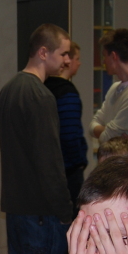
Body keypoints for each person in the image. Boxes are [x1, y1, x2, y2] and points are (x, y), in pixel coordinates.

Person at [0, 23, 76, 254]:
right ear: (43, 52)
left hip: (17, 209)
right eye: (63, 53)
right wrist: (66, 213)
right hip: (42, 213)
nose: (67, 60)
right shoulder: (40, 96)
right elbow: (49, 162)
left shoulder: (8, 90)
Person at [44, 41, 88, 209]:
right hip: (68, 171)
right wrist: (78, 162)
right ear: (67, 61)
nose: (79, 63)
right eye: (77, 58)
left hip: (50, 168)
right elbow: (69, 134)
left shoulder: (44, 87)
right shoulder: (67, 92)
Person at [90, 29, 128, 149]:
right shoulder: (115, 88)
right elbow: (92, 125)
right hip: (109, 159)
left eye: (104, 56)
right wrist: (108, 132)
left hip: (125, 160)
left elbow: (106, 137)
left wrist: (106, 132)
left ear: (113, 56)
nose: (103, 61)